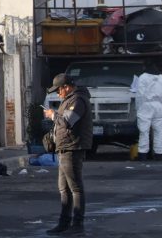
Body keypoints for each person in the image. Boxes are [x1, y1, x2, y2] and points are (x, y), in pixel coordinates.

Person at [43, 73, 92, 235]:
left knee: (75, 188)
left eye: (59, 90)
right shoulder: (69, 100)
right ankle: (64, 223)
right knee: (63, 189)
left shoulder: (78, 100)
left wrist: (52, 115)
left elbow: (67, 121)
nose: (58, 93)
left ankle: (77, 225)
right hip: (64, 148)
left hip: (72, 148)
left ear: (67, 87)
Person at [132, 65, 162, 160]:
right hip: (158, 105)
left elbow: (140, 94)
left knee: (144, 131)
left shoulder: (143, 77)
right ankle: (159, 153)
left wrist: (138, 108)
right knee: (158, 130)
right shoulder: (161, 77)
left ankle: (142, 153)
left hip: (146, 105)